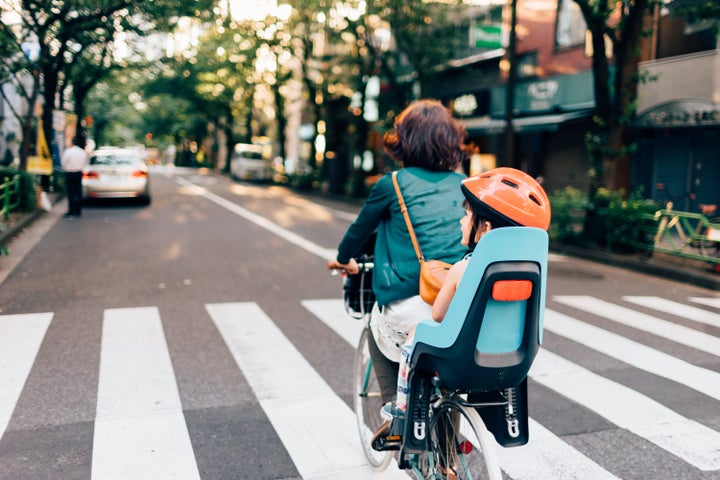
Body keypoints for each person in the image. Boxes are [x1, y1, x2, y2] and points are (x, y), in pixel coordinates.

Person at [327, 99, 475, 436]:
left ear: (404, 140)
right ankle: (448, 456)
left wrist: (344, 259)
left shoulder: (391, 184)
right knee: (443, 372)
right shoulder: (465, 184)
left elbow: (356, 235)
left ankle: (398, 415)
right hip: (461, 304)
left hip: (413, 305)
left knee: (376, 325)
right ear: (451, 141)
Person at [385, 167, 552, 430]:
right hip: (513, 365)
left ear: (484, 228)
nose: (461, 222)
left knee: (416, 333)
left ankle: (403, 407)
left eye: (466, 215)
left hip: (461, 363)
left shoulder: (463, 268)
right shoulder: (532, 270)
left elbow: (439, 315)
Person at [61, 137, 88, 218]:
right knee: (78, 192)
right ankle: (78, 210)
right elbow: (85, 163)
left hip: (70, 173)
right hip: (79, 173)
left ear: (72, 143)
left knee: (70, 192)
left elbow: (63, 162)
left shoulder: (68, 151)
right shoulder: (82, 152)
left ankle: (71, 210)